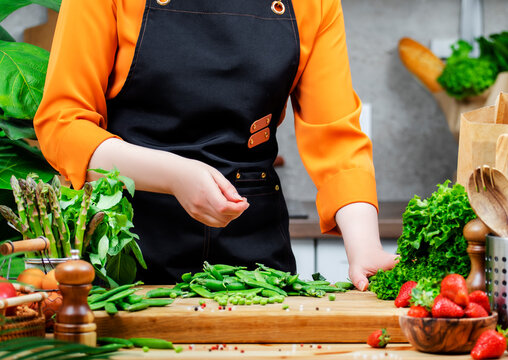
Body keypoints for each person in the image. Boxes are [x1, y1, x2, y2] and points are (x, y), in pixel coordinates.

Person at [34, 0, 397, 289]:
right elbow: (63, 125)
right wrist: (174, 174)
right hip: (126, 251)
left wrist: (364, 247)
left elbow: (336, 139)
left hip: (256, 260)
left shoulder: (312, 3)